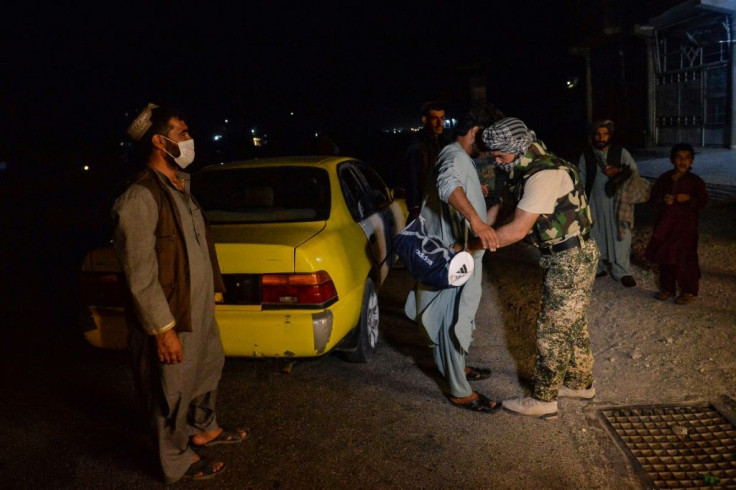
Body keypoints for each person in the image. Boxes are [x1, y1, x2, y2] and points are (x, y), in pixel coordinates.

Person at [112, 104, 247, 484]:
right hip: (172, 315)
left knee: (207, 369)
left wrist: (213, 292)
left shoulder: (181, 187)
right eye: (182, 133)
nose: (190, 141)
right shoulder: (138, 198)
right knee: (168, 392)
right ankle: (175, 459)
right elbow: (139, 274)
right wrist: (162, 330)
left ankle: (204, 429)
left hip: (197, 307)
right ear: (159, 141)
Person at [482, 117, 600, 420]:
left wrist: (470, 247)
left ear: (518, 147)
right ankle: (579, 384)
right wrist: (480, 227)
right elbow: (506, 208)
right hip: (566, 255)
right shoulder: (526, 167)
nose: (496, 160)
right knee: (573, 324)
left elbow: (518, 229)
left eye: (499, 154)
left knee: (553, 330)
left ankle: (544, 400)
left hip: (570, 259)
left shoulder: (544, 174)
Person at [404, 109, 502, 413]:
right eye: (487, 138)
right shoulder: (454, 155)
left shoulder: (461, 158)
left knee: (459, 315)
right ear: (474, 131)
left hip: (463, 254)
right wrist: (478, 222)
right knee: (451, 318)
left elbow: (456, 188)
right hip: (453, 257)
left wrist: (476, 194)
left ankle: (455, 368)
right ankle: (459, 390)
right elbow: (448, 186)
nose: (490, 146)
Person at [578, 119, 640, 287]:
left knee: (621, 236)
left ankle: (622, 272)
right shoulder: (587, 156)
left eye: (605, 134)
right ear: (592, 136)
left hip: (619, 203)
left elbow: (634, 173)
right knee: (594, 235)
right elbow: (581, 180)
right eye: (598, 134)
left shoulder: (621, 152)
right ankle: (597, 268)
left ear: (609, 136)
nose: (601, 138)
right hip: (594, 203)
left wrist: (619, 171)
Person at [645, 143, 708, 305]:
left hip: (686, 227)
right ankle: (668, 288)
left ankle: (688, 290)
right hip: (666, 226)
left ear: (692, 161)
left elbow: (703, 201)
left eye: (687, 158)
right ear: (672, 160)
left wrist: (689, 199)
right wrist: (663, 199)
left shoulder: (695, 181)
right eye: (679, 158)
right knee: (665, 257)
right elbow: (653, 198)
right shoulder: (664, 178)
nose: (683, 162)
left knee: (686, 259)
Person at [404, 101, 448, 222]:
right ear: (424, 120)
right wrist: (415, 209)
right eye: (435, 118)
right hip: (425, 208)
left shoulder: (442, 142)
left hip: (440, 204)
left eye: (442, 118)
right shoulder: (417, 147)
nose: (440, 123)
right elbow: (411, 180)